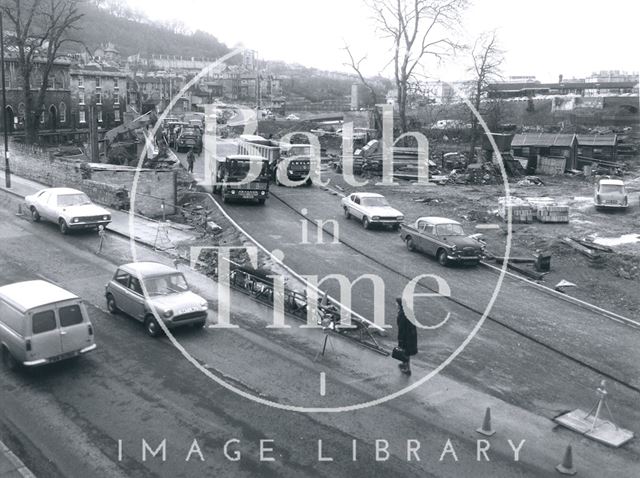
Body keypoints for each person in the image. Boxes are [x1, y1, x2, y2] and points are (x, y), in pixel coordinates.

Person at [396, 297, 418, 375]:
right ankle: (405, 365)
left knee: (405, 352)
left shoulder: (402, 314)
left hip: (406, 337)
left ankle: (407, 369)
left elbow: (401, 328)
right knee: (406, 351)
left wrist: (400, 339)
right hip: (411, 335)